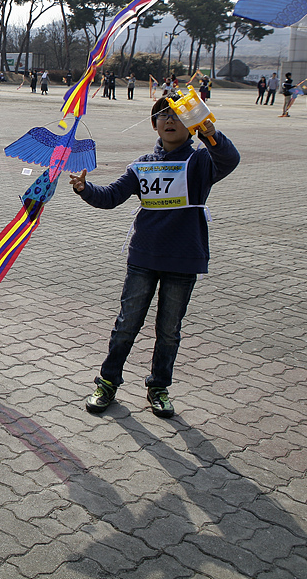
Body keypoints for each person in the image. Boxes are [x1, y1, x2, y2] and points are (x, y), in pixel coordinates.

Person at [71, 97, 239, 418]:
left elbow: (229, 159)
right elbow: (112, 196)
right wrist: (85, 189)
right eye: (162, 115)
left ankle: (158, 387)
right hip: (143, 259)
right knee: (126, 325)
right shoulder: (142, 165)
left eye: (177, 115)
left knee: (169, 331)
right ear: (154, 125)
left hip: (182, 260)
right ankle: (108, 382)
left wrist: (209, 133)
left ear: (189, 124)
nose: (170, 120)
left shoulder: (199, 162)